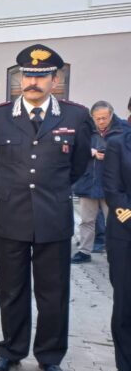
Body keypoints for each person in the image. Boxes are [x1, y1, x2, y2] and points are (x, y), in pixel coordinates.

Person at [0, 44, 91, 371]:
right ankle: (11, 351)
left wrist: (51, 190)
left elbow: (79, 165)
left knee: (52, 293)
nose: (33, 81)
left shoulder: (75, 116)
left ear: (56, 79)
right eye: (28, 75)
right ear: (20, 77)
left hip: (52, 218)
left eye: (42, 76)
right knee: (12, 291)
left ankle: (50, 357)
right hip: (9, 216)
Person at [71, 101, 128, 264]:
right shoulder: (85, 129)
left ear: (111, 115)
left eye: (104, 118)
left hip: (112, 185)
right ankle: (84, 251)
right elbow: (74, 148)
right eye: (97, 118)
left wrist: (111, 153)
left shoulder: (123, 129)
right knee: (87, 220)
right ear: (92, 117)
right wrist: (90, 151)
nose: (101, 122)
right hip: (88, 181)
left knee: (114, 221)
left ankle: (114, 252)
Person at [103, 123, 131, 371]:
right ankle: (125, 366)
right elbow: (113, 189)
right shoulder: (117, 144)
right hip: (126, 234)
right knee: (125, 302)